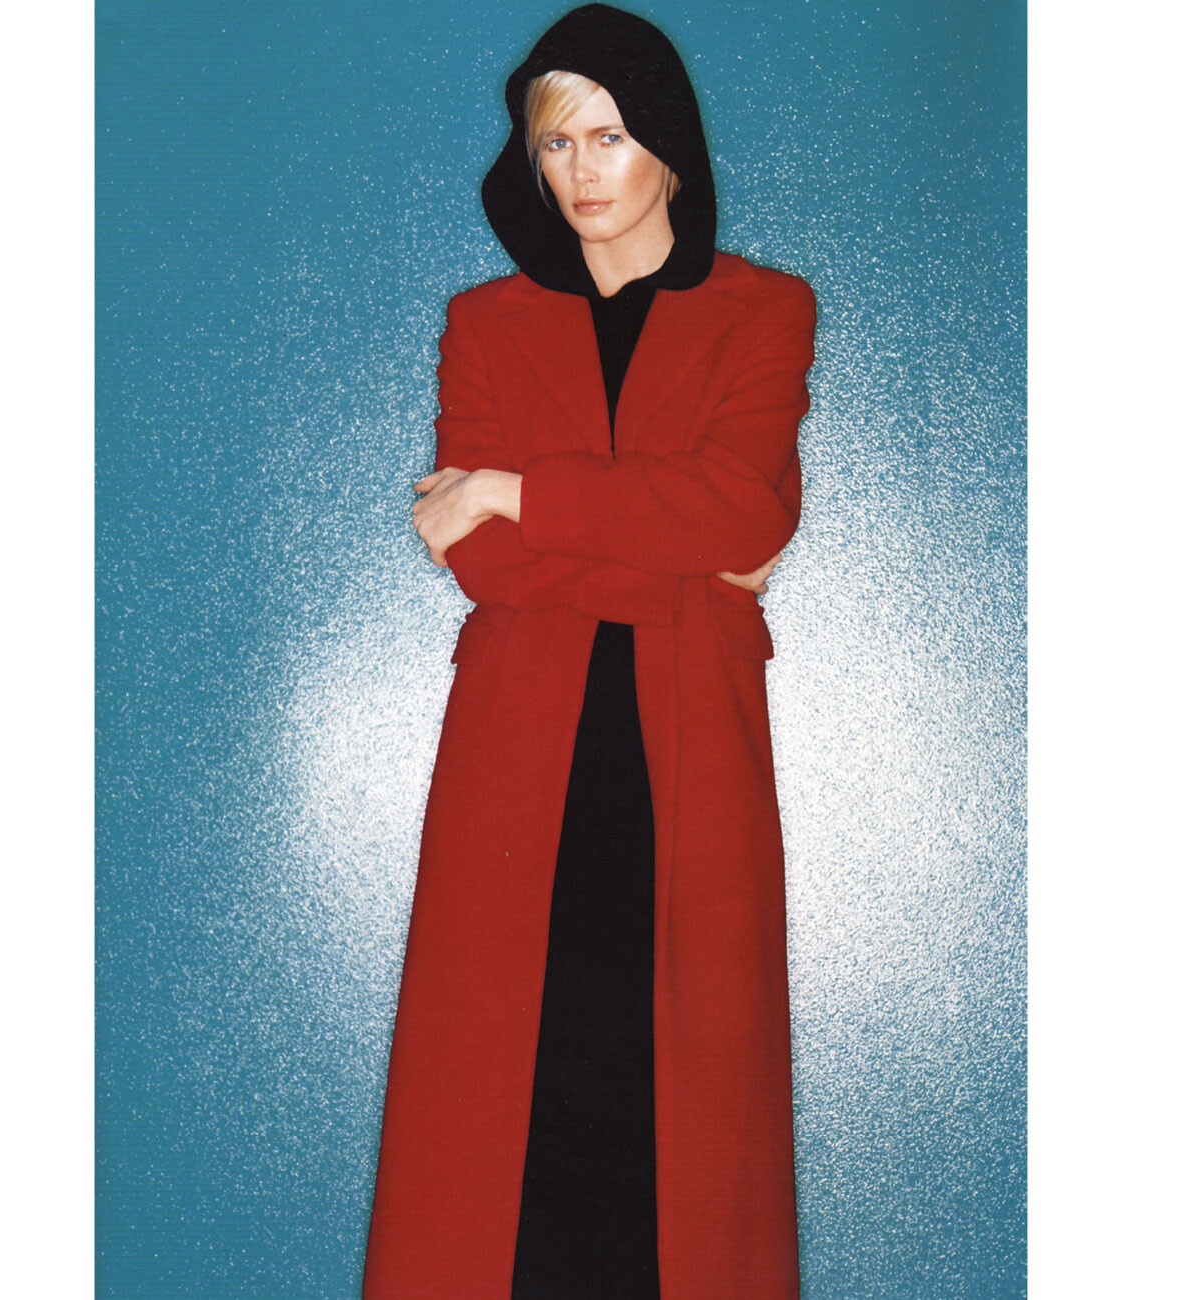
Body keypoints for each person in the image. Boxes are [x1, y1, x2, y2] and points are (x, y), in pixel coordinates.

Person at [363, 6, 815, 1297]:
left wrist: (511, 487)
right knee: (504, 1111)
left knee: (682, 1117)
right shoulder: (486, 322)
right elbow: (486, 562)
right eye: (554, 142)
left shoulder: (766, 311)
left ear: (666, 144)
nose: (580, 171)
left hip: (691, 760)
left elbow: (740, 511)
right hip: (520, 762)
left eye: (608, 137)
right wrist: (679, 560)